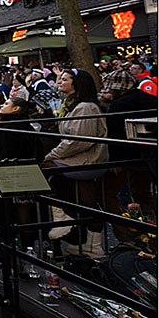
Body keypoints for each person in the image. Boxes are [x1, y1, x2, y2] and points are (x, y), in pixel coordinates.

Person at [44, 69, 109, 256]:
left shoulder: (85, 107)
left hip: (87, 160)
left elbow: (78, 141)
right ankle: (88, 243)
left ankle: (62, 219)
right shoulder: (72, 104)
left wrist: (52, 155)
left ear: (77, 83)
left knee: (44, 170)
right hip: (77, 157)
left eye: (65, 79)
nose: (60, 82)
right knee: (85, 201)